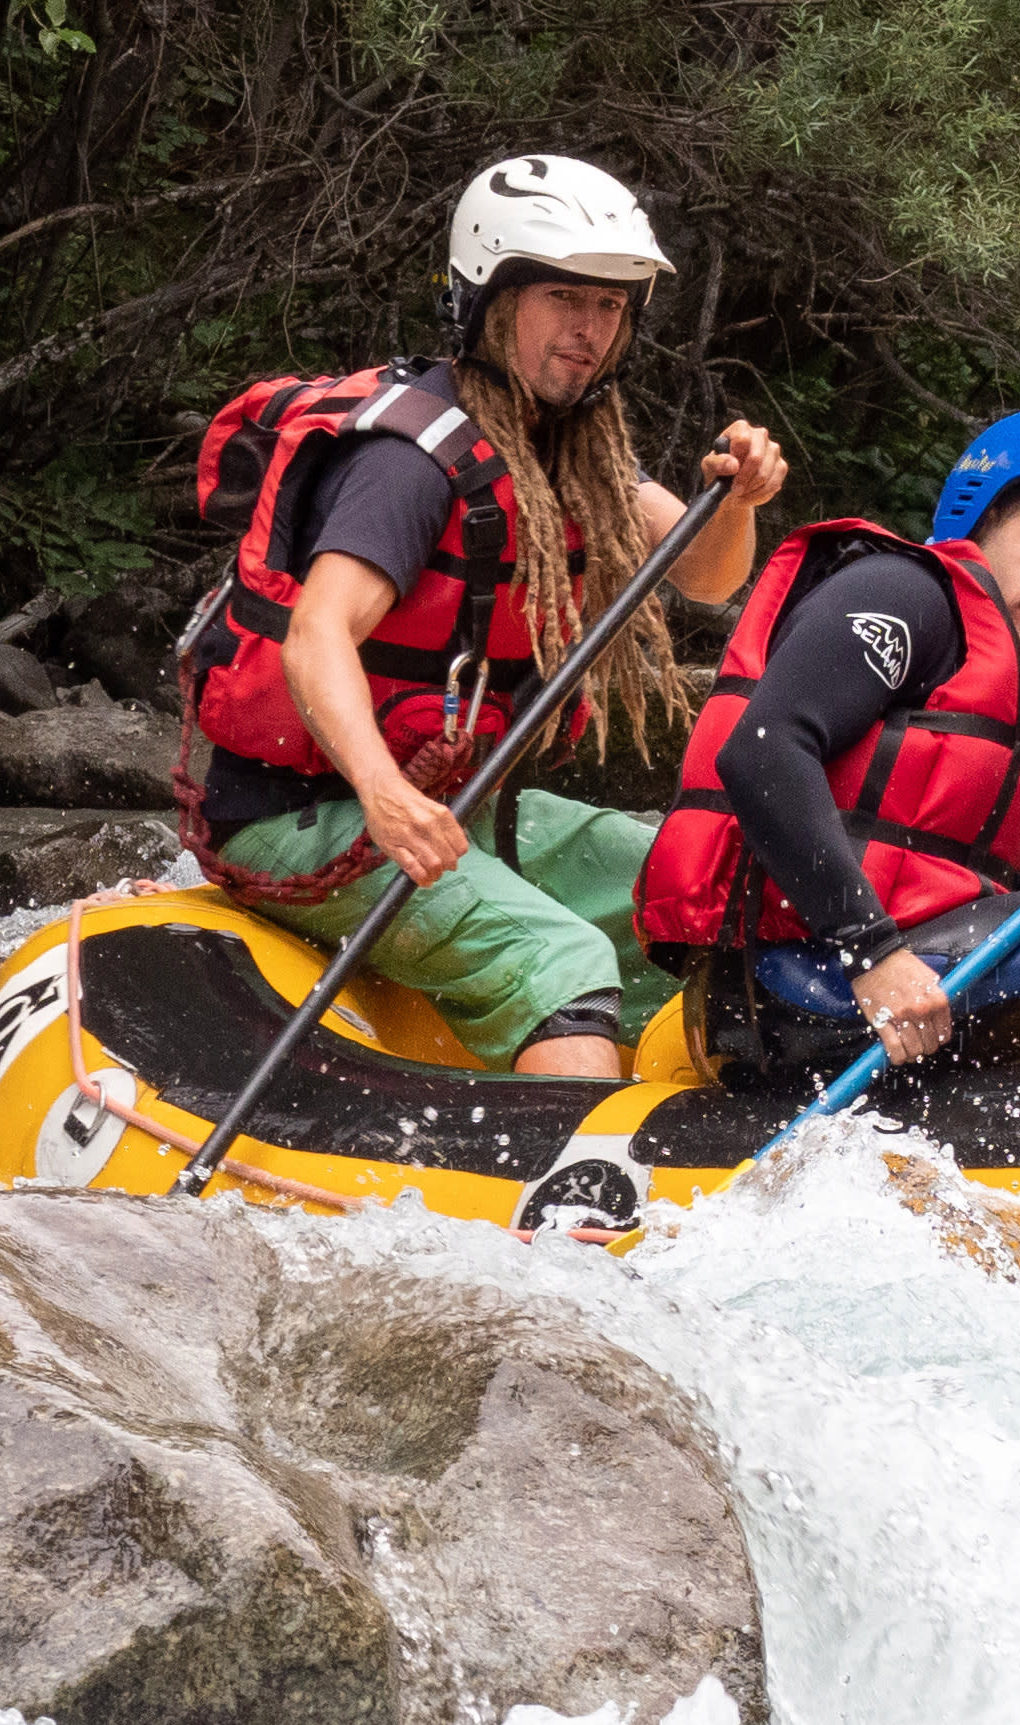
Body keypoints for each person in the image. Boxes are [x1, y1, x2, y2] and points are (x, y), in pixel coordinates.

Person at [180, 155, 784, 1078]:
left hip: (460, 805)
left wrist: (735, 500)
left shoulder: (572, 452)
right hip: (302, 815)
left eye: (612, 307)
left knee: (708, 877)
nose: (590, 330)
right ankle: (575, 1198)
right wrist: (385, 798)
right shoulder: (408, 465)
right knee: (564, 959)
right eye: (565, 300)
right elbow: (318, 634)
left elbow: (706, 575)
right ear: (492, 301)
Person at [637, 410, 1020, 1081]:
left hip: (865, 987)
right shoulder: (903, 595)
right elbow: (761, 749)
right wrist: (872, 955)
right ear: (981, 518)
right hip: (813, 994)